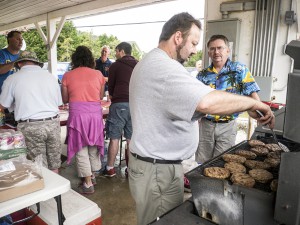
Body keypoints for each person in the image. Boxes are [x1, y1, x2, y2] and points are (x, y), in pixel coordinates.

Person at [128, 12, 274, 225]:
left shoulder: (151, 63)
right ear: (178, 37)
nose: (196, 50)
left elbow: (191, 105)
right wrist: (253, 103)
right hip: (157, 172)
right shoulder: (163, 68)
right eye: (194, 43)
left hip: (155, 167)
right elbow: (206, 102)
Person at [195, 34, 261, 164]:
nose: (216, 52)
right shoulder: (202, 75)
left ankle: (216, 185)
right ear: (208, 52)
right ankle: (203, 184)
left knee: (222, 162)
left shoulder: (239, 70)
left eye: (220, 48)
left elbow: (252, 92)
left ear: (227, 50)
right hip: (206, 125)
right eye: (212, 49)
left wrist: (261, 113)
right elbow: (196, 99)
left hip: (228, 126)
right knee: (203, 162)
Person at [0, 51, 62, 173]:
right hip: (53, 123)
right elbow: (58, 102)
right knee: (54, 164)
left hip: (30, 126)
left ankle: (46, 190)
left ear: (19, 64)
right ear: (36, 63)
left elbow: (3, 105)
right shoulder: (50, 77)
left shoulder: (12, 78)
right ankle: (56, 191)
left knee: (39, 166)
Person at [61, 46, 105, 194]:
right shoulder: (98, 74)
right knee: (93, 147)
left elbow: (65, 99)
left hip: (78, 116)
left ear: (75, 59)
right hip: (95, 115)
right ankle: (92, 175)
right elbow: (100, 96)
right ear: (90, 59)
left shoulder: (68, 75)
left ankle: (87, 183)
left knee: (80, 148)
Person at [104, 42, 138, 177]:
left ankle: (110, 169)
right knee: (130, 139)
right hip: (135, 105)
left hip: (119, 104)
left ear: (122, 51)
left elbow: (110, 90)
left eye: (116, 51)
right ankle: (130, 169)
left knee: (114, 138)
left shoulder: (115, 66)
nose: (115, 53)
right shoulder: (139, 65)